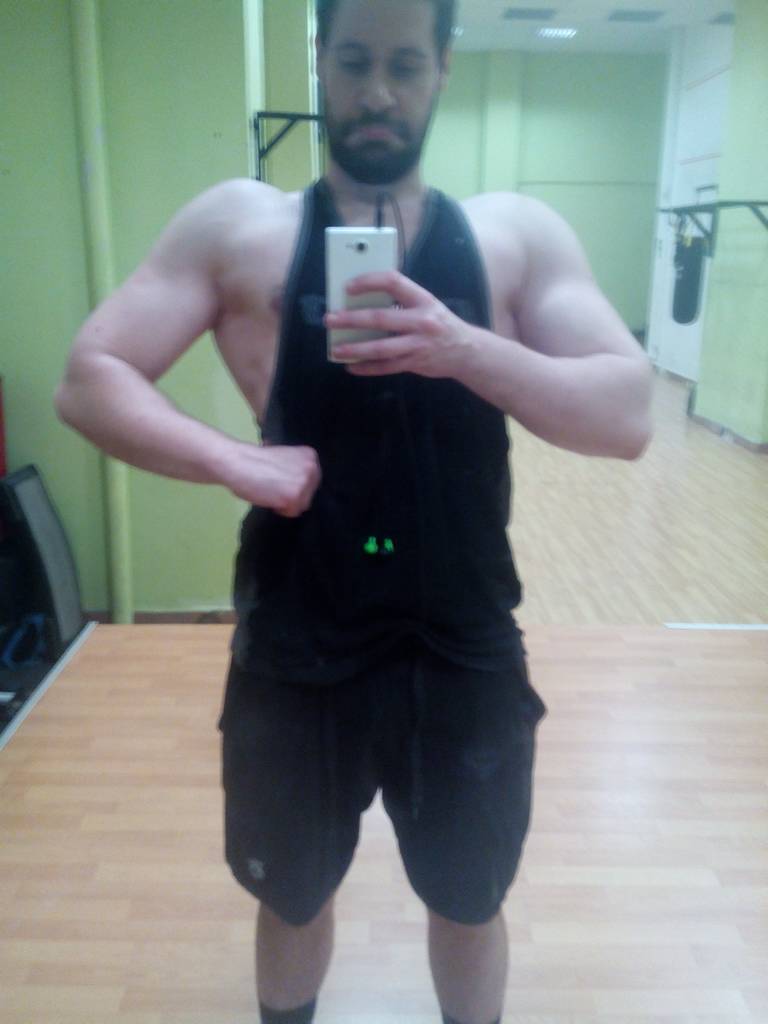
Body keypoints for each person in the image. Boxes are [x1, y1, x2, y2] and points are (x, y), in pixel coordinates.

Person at [55, 1, 654, 1021]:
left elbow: (628, 413)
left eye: (406, 65)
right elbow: (89, 377)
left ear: (443, 70)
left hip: (461, 638)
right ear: (321, 61)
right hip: (300, 635)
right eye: (356, 61)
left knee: (469, 897)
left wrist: (464, 347)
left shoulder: (512, 236)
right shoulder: (239, 226)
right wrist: (235, 461)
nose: (379, 92)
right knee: (292, 896)